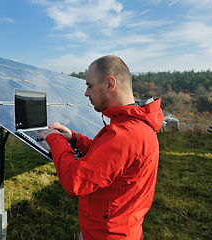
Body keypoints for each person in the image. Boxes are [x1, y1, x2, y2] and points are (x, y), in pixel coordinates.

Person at [40, 55, 164, 239]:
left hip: (106, 234)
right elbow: (108, 161)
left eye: (89, 86)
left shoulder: (124, 135)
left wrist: (54, 139)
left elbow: (75, 181)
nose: (86, 93)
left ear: (109, 84)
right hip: (124, 228)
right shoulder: (136, 125)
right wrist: (74, 138)